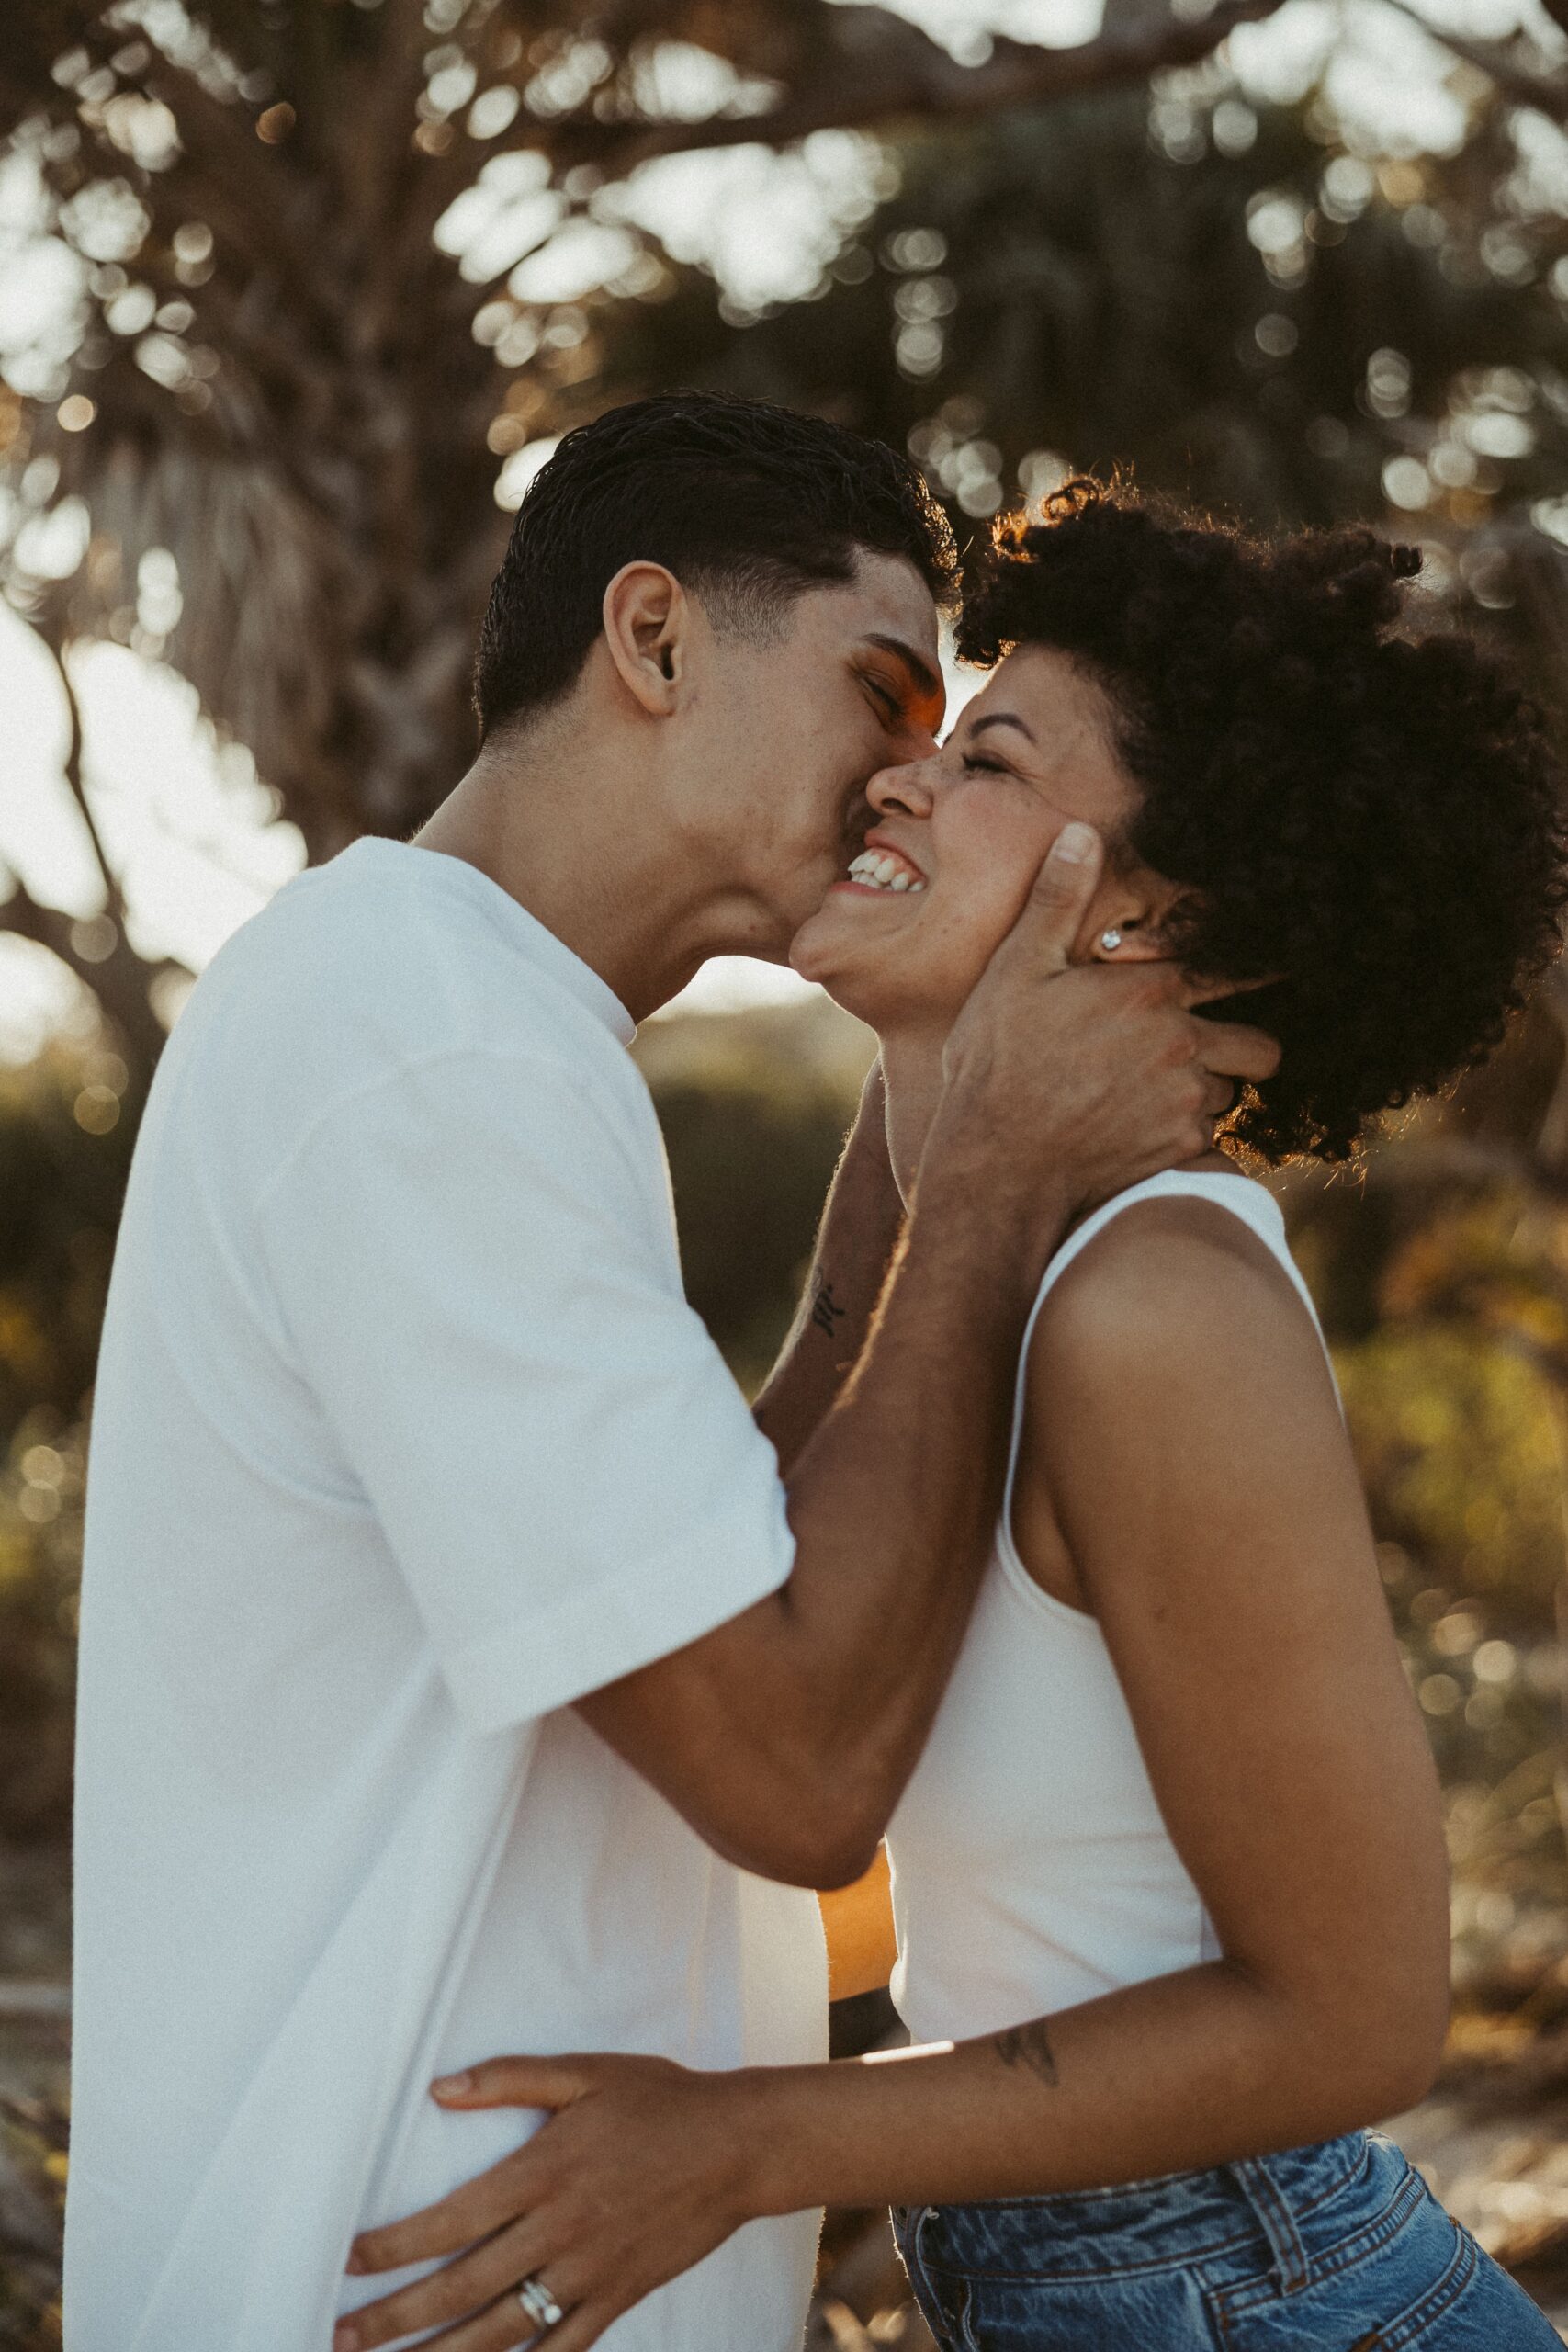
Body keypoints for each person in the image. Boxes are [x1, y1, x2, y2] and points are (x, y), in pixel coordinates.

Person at [63, 408, 1275, 2352]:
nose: (905, 779)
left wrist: (915, 1143)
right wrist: (984, 1178)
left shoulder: (468, 1018)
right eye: (881, 692)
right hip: (395, 2286)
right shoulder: (426, 1045)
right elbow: (789, 1768)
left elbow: (714, 1583)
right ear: (650, 639)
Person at [339, 483, 1568, 2352]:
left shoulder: (1154, 1306)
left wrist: (743, 2143)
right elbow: (731, 1615)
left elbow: (1357, 2013)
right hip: (1107, 2281)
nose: (892, 781)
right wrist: (931, 1138)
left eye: (981, 751)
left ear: (1150, 913)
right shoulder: (992, 1265)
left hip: (1252, 2290)